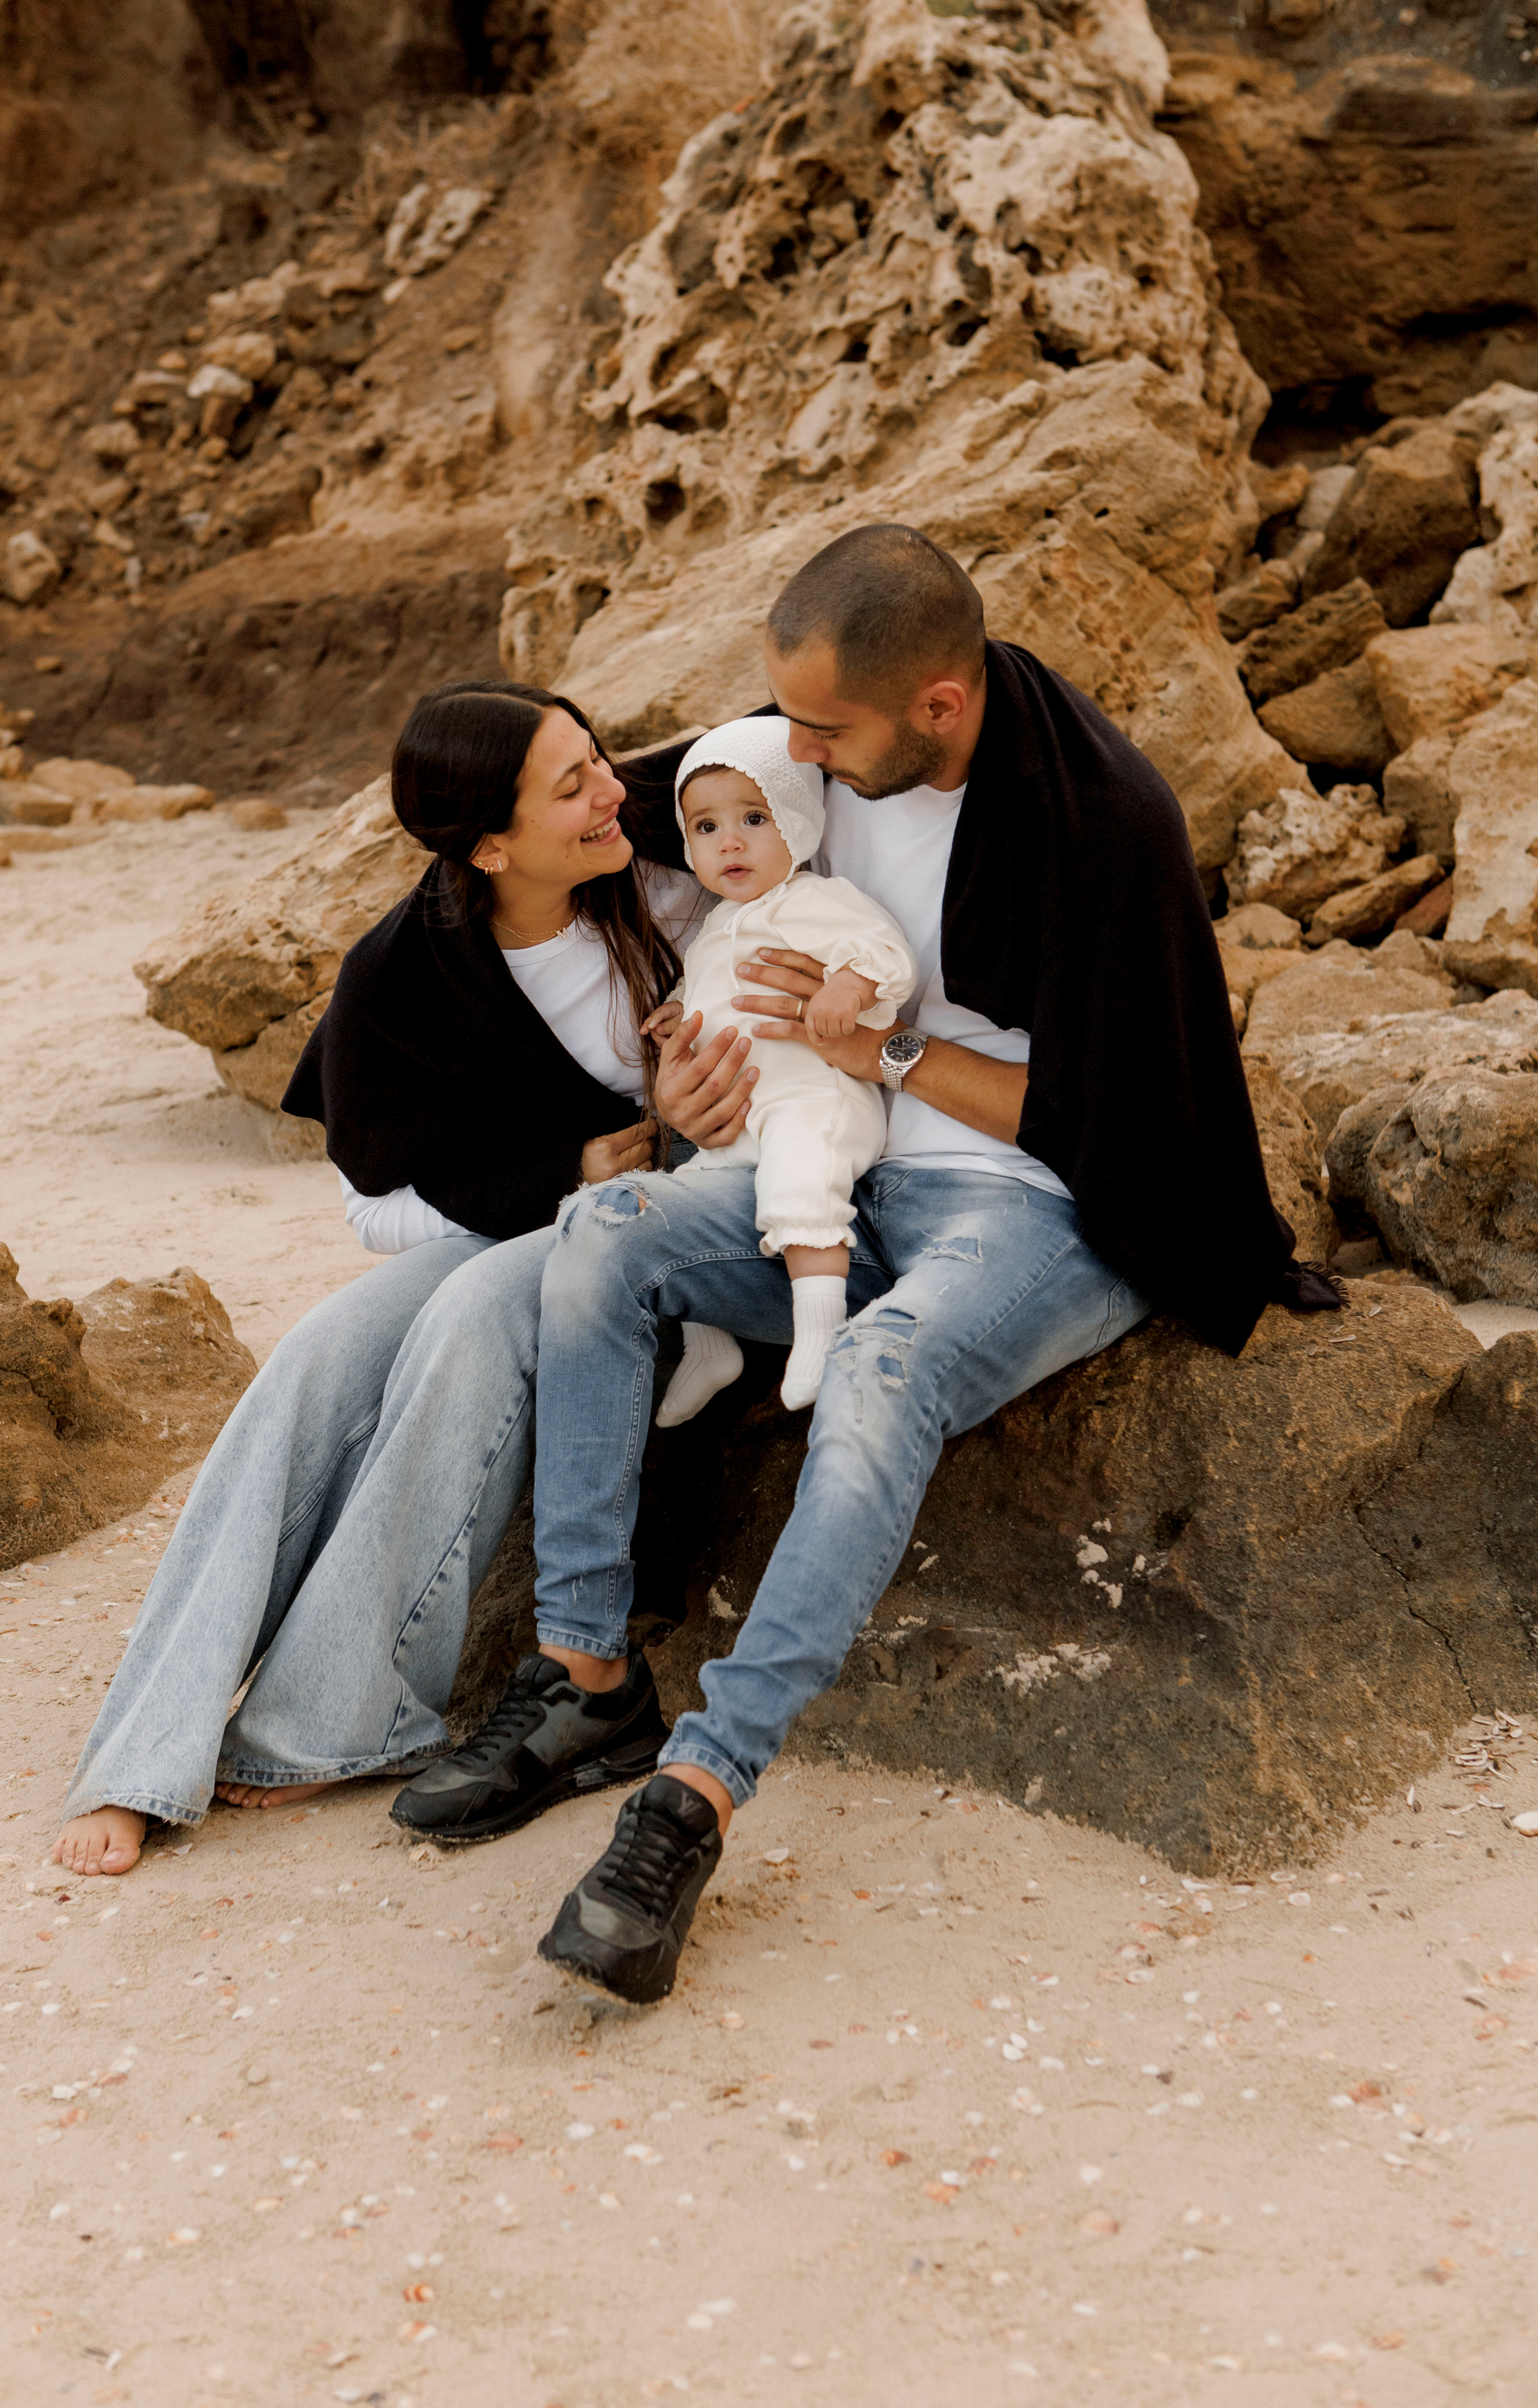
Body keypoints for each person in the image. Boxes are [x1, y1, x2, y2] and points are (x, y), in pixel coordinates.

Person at [396, 522, 1337, 2004]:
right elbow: (575, 814)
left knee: (887, 1363)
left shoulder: (1102, 824)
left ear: (937, 708)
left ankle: (692, 1791)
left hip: (1046, 1204)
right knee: (601, 1240)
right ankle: (587, 1680)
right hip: (834, 1172)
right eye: (789, 726)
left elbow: (1111, 1122)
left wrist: (886, 1047)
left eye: (824, 729)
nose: (796, 752)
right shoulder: (807, 755)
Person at [50, 679, 704, 1876]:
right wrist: (558, 1176)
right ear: (490, 846)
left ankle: (329, 1720)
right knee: (311, 1359)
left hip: (657, 1243)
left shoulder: (679, 850)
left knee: (469, 1317)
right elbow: (373, 1206)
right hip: (526, 1222)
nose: (616, 788)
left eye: (600, 755)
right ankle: (140, 1756)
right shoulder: (409, 977)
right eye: (575, 785)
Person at [653, 715, 916, 1422]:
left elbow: (883, 951)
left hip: (814, 1097)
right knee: (688, 1200)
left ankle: (820, 1333)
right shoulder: (714, 926)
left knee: (802, 1180)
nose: (729, 840)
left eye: (753, 818)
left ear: (797, 825)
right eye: (705, 828)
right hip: (742, 1113)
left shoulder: (813, 901)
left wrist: (848, 988)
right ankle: (710, 1346)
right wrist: (676, 1014)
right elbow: (705, 988)